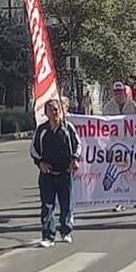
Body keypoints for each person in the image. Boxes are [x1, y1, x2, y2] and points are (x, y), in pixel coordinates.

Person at [30, 98, 81, 247]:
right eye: (51, 109)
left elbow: (78, 145)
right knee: (47, 205)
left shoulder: (68, 128)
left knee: (66, 204)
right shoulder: (42, 130)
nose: (55, 112)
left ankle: (66, 231)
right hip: (47, 174)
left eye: (57, 109)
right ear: (46, 113)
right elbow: (33, 149)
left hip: (65, 172)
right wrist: (40, 163)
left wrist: (75, 159)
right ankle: (48, 236)